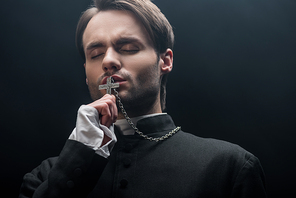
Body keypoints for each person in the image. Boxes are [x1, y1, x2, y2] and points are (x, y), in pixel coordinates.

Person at [19, 0, 267, 197]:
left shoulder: (229, 167)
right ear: (86, 72)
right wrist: (79, 154)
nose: (108, 61)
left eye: (128, 48)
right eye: (95, 54)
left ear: (165, 61)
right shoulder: (45, 176)